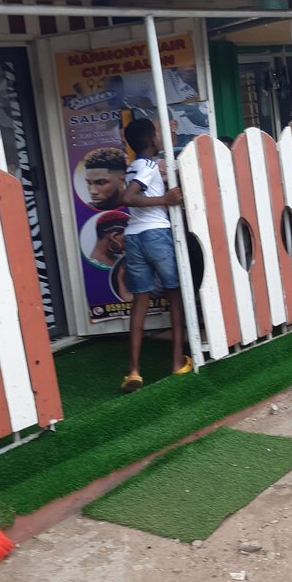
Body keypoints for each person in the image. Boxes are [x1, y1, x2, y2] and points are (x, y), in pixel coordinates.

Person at [120, 117, 191, 393]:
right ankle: (176, 362)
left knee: (140, 301)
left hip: (133, 236)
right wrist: (167, 199)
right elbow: (129, 197)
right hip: (155, 235)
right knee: (175, 294)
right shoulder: (148, 166)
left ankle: (134, 371)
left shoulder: (134, 166)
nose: (163, 136)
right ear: (152, 141)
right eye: (159, 133)